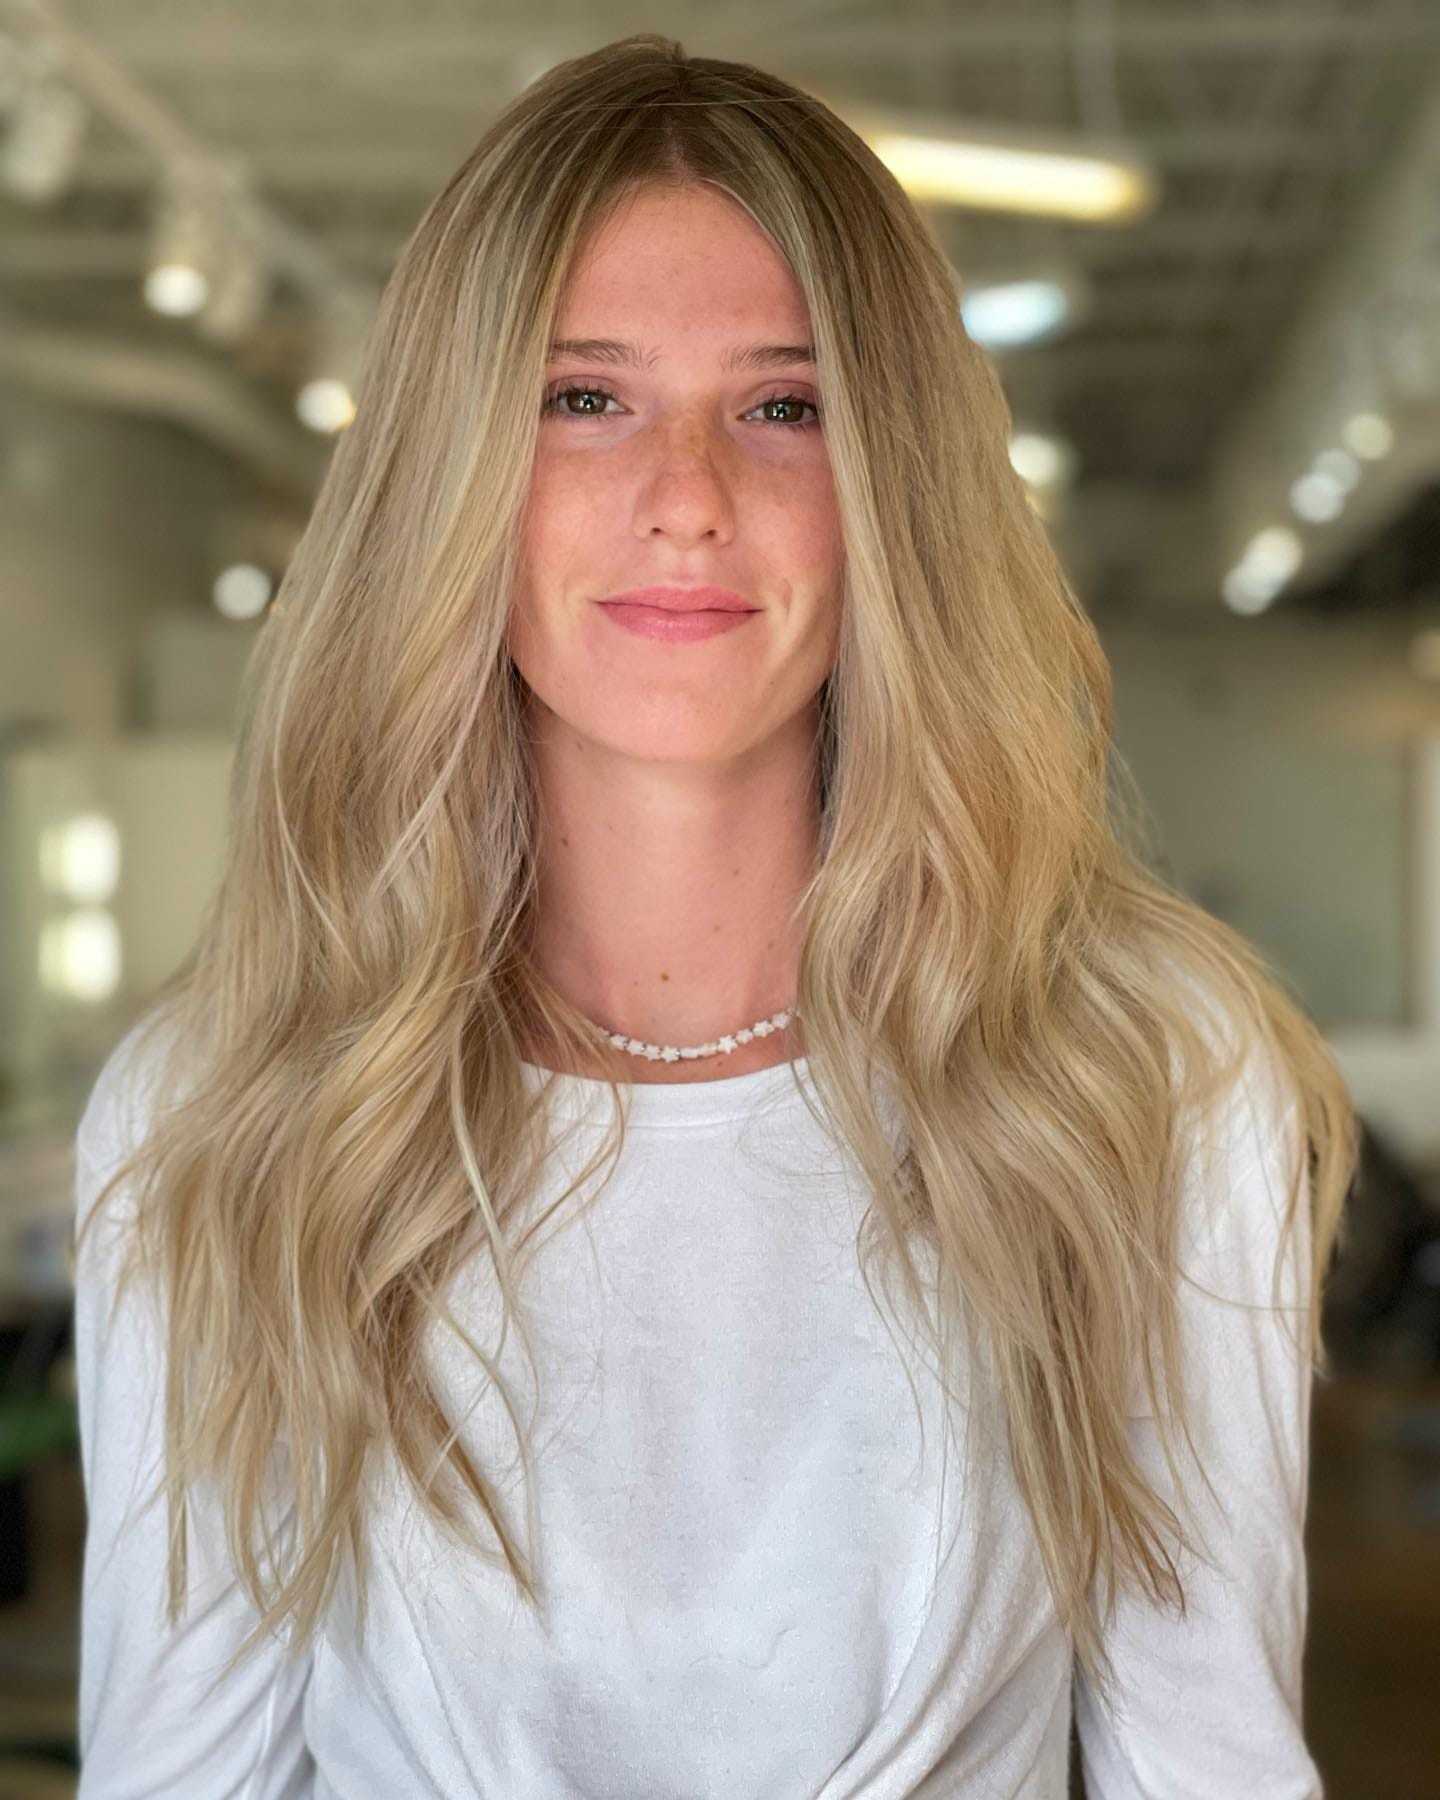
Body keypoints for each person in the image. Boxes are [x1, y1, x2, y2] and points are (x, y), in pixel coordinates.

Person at [70, 34, 1359, 1798]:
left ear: (894, 487)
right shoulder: (226, 1113)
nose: (686, 496)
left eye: (784, 407)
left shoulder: (1138, 1072)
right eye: (582, 399)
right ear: (452, 474)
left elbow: (1209, 1763)